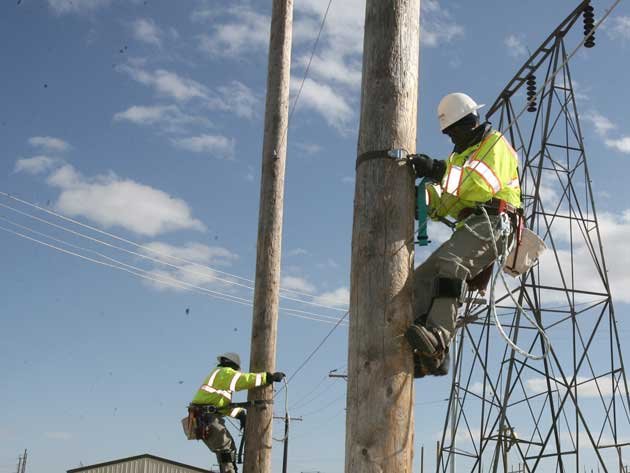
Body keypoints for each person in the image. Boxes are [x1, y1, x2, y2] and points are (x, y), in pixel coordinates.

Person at [405, 92, 522, 378]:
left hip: (496, 222)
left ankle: (437, 336)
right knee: (420, 279)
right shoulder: (459, 157)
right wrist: (422, 197)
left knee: (451, 264)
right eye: (448, 134)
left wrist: (438, 169)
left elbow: (477, 186)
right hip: (471, 227)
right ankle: (429, 355)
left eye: (454, 131)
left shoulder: (494, 145)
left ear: (470, 123)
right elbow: (448, 200)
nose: (452, 138)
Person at [187, 352, 285, 473]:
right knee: (226, 448)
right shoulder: (225, 372)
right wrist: (268, 377)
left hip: (204, 415)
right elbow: (242, 381)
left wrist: (240, 414)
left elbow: (222, 407)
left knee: (227, 447)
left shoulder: (219, 376)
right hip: (206, 416)